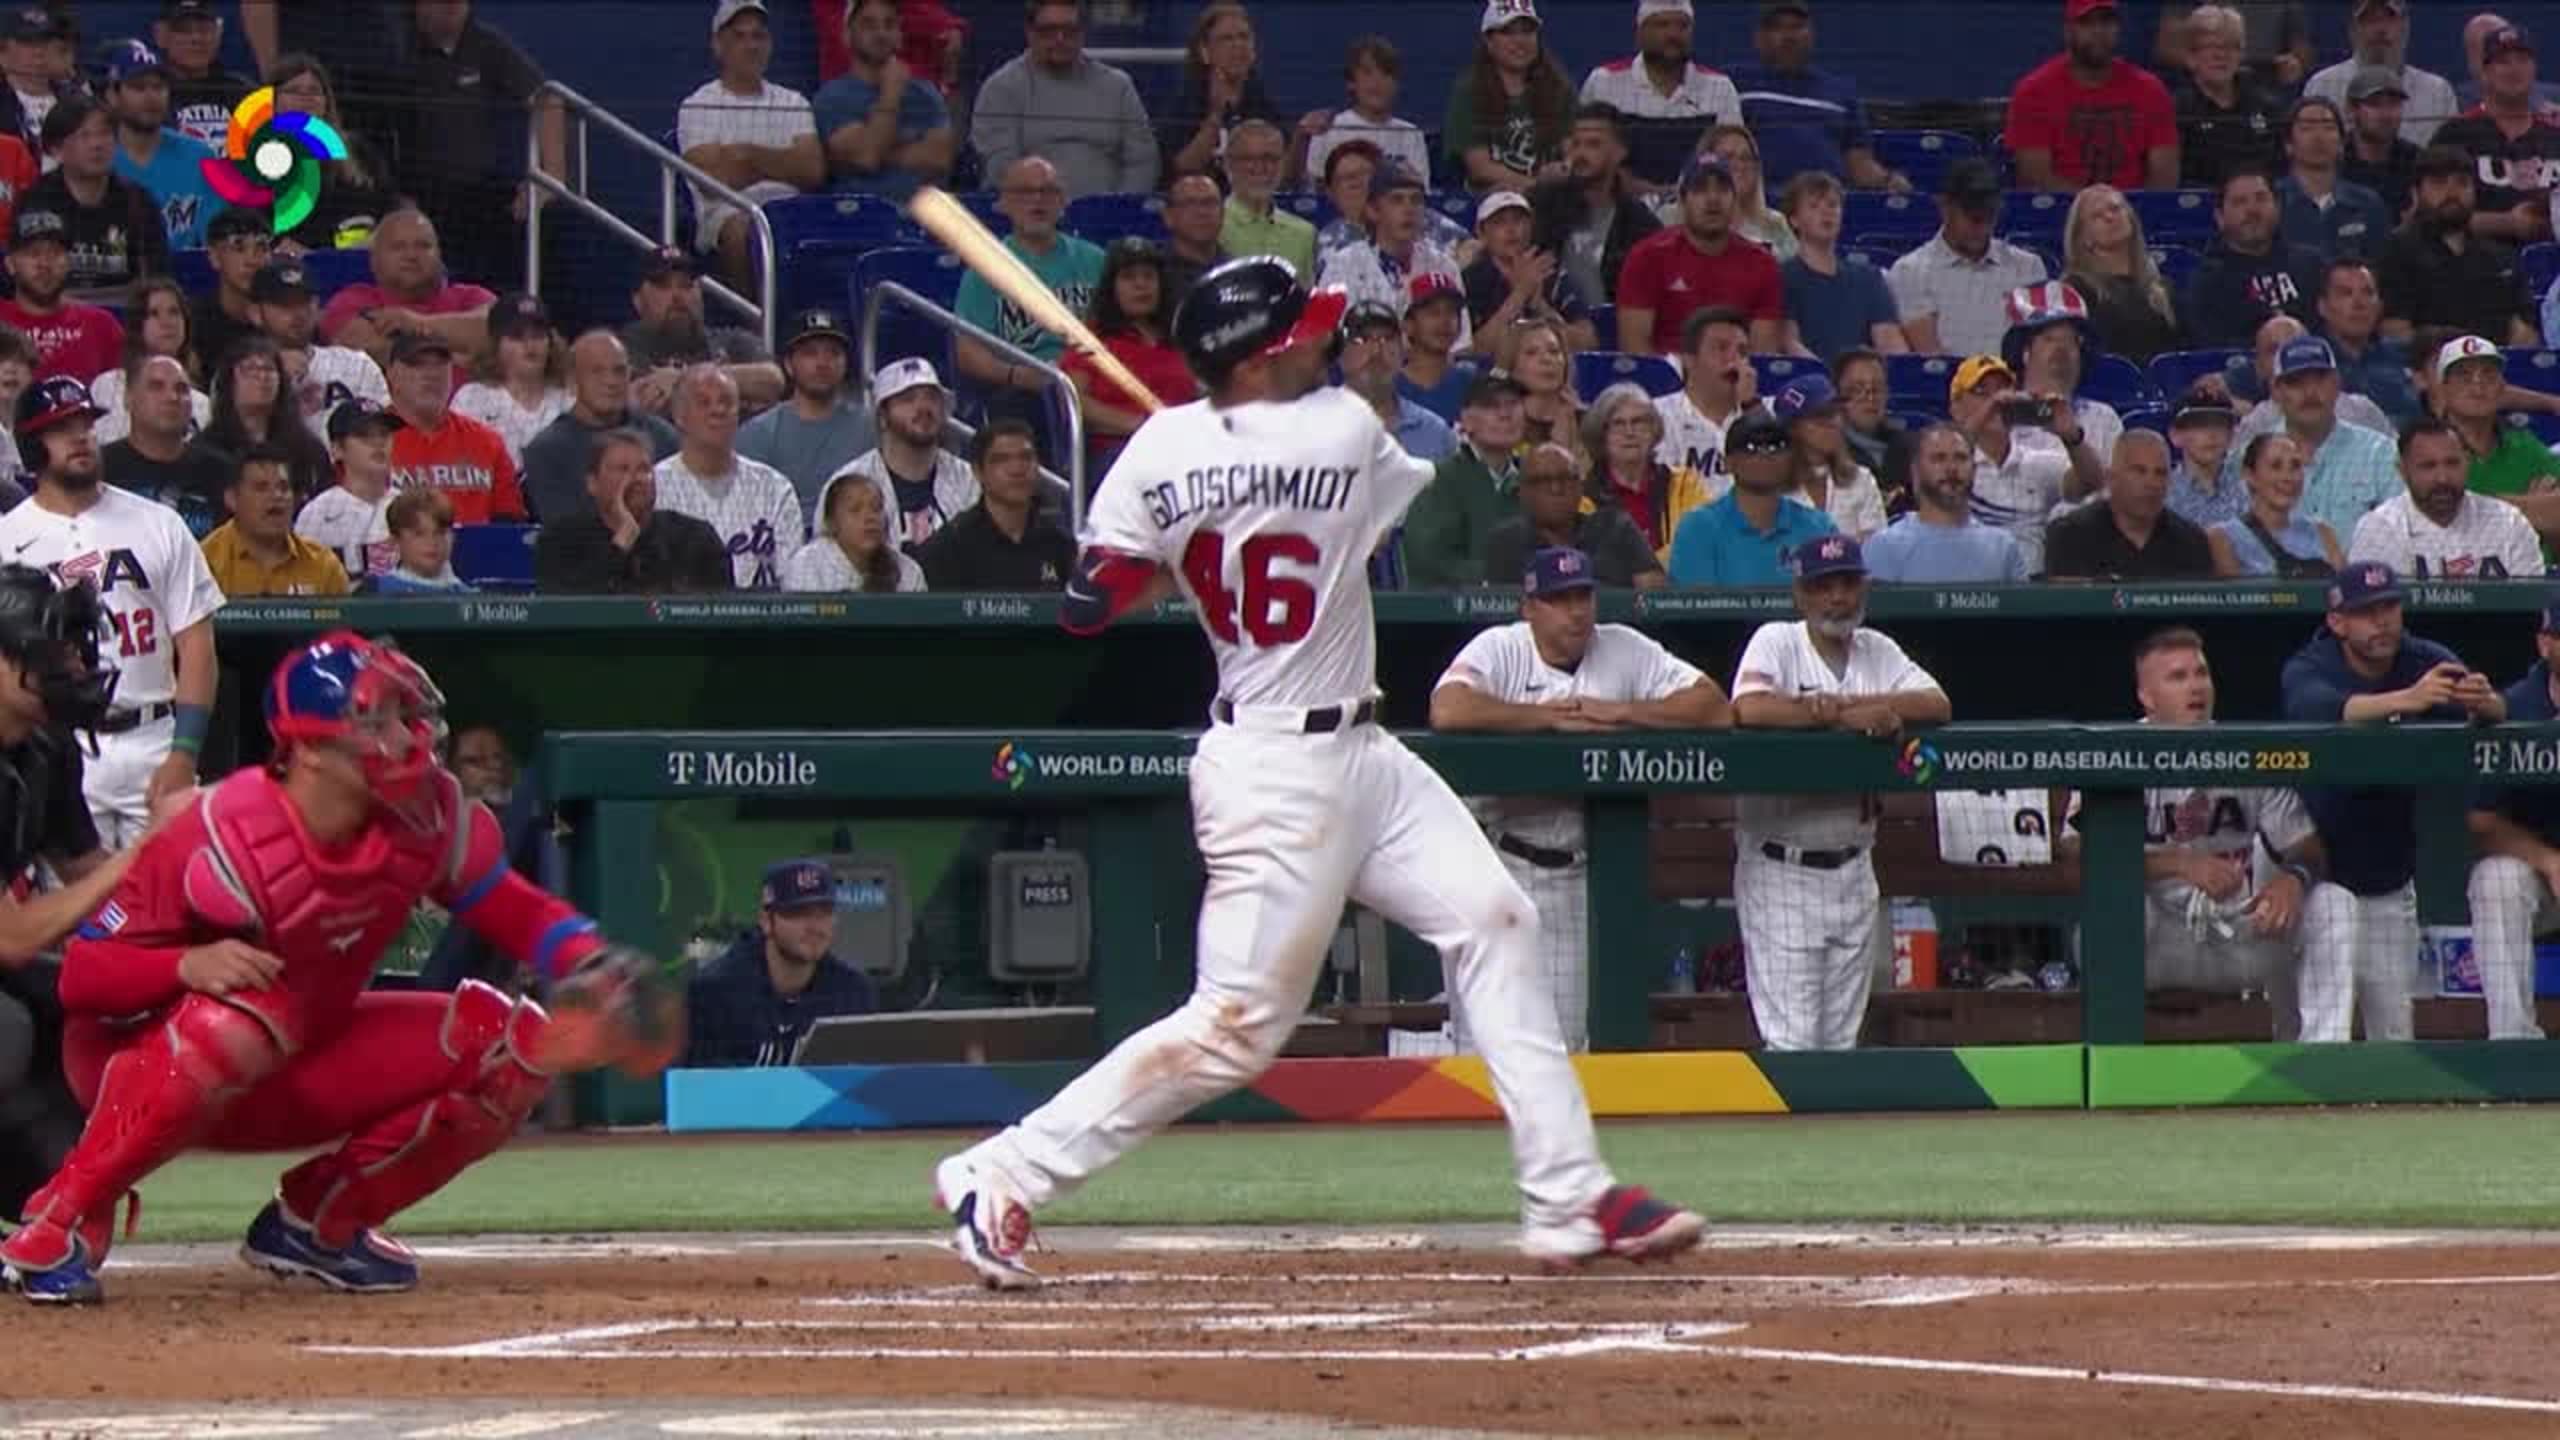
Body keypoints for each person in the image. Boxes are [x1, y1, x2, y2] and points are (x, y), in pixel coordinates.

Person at [932, 256, 1708, 1292]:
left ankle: (1569, 1197)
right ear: (1259, 359)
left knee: (1494, 921)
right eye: (1299, 334)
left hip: (1361, 752)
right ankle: (1002, 1173)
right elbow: (1318, 495)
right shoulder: (1342, 430)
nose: (1323, 343)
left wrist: (1182, 493)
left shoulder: (1161, 450)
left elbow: (1088, 604)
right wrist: (1221, 471)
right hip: (1276, 774)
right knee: (1234, 1029)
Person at [0, 631, 673, 1305]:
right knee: (247, 1014)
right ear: (312, 747)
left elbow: (502, 901)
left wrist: (588, 956)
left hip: (301, 1054)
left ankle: (319, 1224)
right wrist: (185, 965)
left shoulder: (425, 813)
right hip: (144, 1064)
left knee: (508, 1040)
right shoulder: (217, 833)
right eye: (377, 722)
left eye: (406, 718)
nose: (407, 739)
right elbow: (83, 979)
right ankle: (57, 1220)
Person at [1430, 543, 1726, 1049]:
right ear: (1530, 608)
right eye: (1559, 598)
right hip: (1498, 863)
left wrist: (1625, 711)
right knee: (1480, 1046)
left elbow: (1714, 707)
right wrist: (1543, 717)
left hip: (1575, 876)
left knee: (1563, 1045)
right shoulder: (1499, 648)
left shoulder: (1624, 648)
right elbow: (1448, 709)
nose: (1576, 610)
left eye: (1583, 596)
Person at [1729, 532, 1950, 1050]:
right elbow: (1750, 709)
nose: (1837, 597)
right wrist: (1840, 714)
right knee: (1793, 1042)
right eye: (1823, 586)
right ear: (1801, 594)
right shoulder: (1776, 641)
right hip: (1782, 866)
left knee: (1840, 1042)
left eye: (1848, 583)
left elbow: (1937, 703)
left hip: (1855, 867)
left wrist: (1848, 709)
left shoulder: (1877, 649)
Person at [2282, 562, 2503, 1044]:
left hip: (2387, 876)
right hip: (2311, 875)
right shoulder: (2311, 665)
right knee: (2303, 1029)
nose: (2382, 620)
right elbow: (2325, 709)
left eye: (2389, 607)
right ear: (2338, 622)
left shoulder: (2424, 657)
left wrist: (2485, 702)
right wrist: (2410, 698)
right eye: (2366, 612)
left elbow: (2495, 709)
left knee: (2394, 1037)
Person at [0, 377, 220, 848]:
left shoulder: (158, 523)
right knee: (71, 903)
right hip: (60, 744)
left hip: (155, 735)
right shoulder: (6, 538)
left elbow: (197, 643)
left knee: (174, 901)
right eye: (61, 429)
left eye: (85, 424)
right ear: (32, 446)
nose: (80, 436)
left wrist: (185, 751)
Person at [0, 565, 145, 1221]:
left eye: (72, 649)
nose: (71, 665)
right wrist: (142, 852)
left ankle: (43, 1192)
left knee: (86, 998)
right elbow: (13, 938)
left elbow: (86, 866)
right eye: (48, 651)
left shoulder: (45, 745)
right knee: (7, 1028)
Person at [2116, 626, 2342, 1040]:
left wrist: (2293, 880)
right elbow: (2076, 858)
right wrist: (2179, 865)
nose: (2195, 686)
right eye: (2177, 677)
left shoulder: (2246, 754)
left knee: (2332, 901)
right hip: (2150, 943)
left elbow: (2307, 845)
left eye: (2201, 673)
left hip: (2232, 936)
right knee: (2121, 906)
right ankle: (2114, 1048)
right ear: (2146, 697)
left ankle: (2316, 1060)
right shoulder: (2116, 754)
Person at [393, 0, 566, 289]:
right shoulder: (397, 51)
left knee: (536, 228)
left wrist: (551, 178)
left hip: (482, 198)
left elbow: (548, 98)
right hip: (423, 199)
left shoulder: (485, 45)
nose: (451, 6)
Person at [954, 156, 1103, 443]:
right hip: (1024, 389)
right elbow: (968, 353)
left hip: (1090, 382)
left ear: (1062, 202)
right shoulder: (986, 267)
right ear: (1004, 203)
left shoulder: (1095, 260)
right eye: (1024, 192)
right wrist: (1016, 375)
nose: (1037, 200)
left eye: (1048, 191)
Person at [2464, 600, 2560, 1040]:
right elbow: (2482, 821)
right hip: (2542, 881)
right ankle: (2512, 1040)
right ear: (2546, 643)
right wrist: (2549, 861)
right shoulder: (2516, 709)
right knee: (2496, 880)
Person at [677, 0, 823, 287]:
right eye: (739, 36)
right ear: (719, 45)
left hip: (791, 211)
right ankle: (756, 326)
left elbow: (812, 171)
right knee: (742, 228)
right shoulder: (698, 105)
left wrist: (746, 156)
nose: (751, 45)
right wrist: (783, 163)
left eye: (759, 36)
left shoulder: (793, 102)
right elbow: (712, 179)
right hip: (729, 214)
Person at [683, 859, 874, 1069]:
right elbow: (699, 1090)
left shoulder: (852, 992)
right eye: (798, 913)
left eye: (825, 912)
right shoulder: (715, 993)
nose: (815, 927)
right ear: (766, 921)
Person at [968, 0, 1157, 200]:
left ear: (1083, 33)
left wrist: (1122, 206)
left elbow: (1143, 160)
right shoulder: (1001, 88)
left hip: (1109, 216)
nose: (1060, 39)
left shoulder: (1117, 85)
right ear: (1029, 33)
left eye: (1070, 31)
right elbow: (1001, 169)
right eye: (1048, 31)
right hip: (1030, 214)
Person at [653, 366, 805, 593]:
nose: (717, 410)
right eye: (704, 402)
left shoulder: (774, 487)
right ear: (679, 416)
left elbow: (793, 580)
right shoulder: (654, 486)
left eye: (726, 402)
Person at [1615, 153, 1782, 358]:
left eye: (1722, 189)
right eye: (1700, 189)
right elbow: (1636, 352)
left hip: (1736, 380)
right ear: (1683, 201)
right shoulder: (1646, 257)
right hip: (1664, 384)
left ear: (1734, 200)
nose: (1713, 199)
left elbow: (1762, 355)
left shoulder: (1762, 264)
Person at [1725, 0, 1901, 192]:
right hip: (1760, 206)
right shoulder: (1734, 84)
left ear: (1811, 35)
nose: (1789, 36)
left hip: (1827, 206)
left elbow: (1859, 164)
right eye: (1778, 28)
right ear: (1759, 38)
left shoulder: (1841, 93)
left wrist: (1889, 180)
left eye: (1797, 27)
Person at [2006, 0, 2180, 194]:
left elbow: (2164, 177)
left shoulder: (2151, 90)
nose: (2098, 32)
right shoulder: (2033, 92)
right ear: (2067, 31)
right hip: (2059, 216)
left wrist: (2125, 213)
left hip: (2135, 216)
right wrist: (2092, 210)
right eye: (2086, 23)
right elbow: (2034, 178)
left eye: (2106, 23)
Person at [532, 427, 732, 596]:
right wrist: (623, 540)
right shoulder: (560, 540)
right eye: (622, 469)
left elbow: (722, 611)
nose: (636, 478)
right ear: (593, 483)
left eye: (644, 469)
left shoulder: (695, 537)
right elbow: (569, 609)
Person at [1063, 238, 1198, 481]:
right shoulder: (1092, 338)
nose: (1141, 285)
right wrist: (1141, 425)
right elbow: (1075, 399)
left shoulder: (1180, 336)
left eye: (1148, 276)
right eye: (1129, 277)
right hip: (1119, 451)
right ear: (1111, 287)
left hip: (1184, 447)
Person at [1887, 158, 2050, 359]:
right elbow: (1930, 357)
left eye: (1989, 215)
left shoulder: (2028, 268)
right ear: (1945, 207)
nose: (1980, 226)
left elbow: (2034, 349)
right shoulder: (1910, 271)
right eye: (1972, 216)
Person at [2348, 413, 2544, 578]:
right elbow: (2369, 615)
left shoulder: (2508, 522)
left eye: (2452, 463)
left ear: (2467, 462)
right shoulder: (2379, 528)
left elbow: (2532, 607)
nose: (2442, 478)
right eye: (2428, 466)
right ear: (2402, 471)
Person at [2375, 145, 2534, 345]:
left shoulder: (2500, 258)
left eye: (2462, 183)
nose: (2452, 193)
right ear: (2416, 193)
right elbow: (2395, 333)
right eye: (2438, 183)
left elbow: (2524, 333)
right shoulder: (2396, 252)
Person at [520, 331, 681, 525]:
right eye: (597, 371)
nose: (611, 381)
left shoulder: (663, 436)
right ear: (572, 381)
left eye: (619, 371)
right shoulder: (546, 452)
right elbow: (563, 533)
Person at [2250, 334, 2402, 540]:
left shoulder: (2380, 453)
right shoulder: (2252, 459)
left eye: (2320, 380)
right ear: (2276, 391)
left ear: (2337, 384)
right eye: (2296, 383)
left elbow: (2400, 533)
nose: (2310, 393)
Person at [1578, 0, 1739, 193]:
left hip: (1697, 205)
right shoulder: (1604, 82)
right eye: (1662, 25)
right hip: (1622, 206)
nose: (1673, 35)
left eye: (1682, 26)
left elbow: (1733, 160)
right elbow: (1585, 153)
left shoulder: (1720, 87)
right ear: (1639, 34)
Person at [735, 309, 874, 527]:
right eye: (810, 353)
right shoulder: (757, 434)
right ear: (789, 365)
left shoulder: (870, 428)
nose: (822, 363)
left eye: (833, 353)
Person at [830, 357, 979, 560]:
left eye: (931, 397)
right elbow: (828, 565)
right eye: (908, 399)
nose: (924, 407)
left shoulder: (969, 480)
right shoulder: (848, 483)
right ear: (883, 416)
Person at [23, 95, 169, 300]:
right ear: (56, 150)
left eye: (105, 134)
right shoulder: (36, 201)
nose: (97, 144)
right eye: (84, 136)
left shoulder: (138, 201)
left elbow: (157, 281)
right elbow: (29, 285)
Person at [1667, 409, 1835, 584]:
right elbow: (1695, 606)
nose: (1765, 455)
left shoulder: (1819, 528)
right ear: (1727, 463)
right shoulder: (1698, 528)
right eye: (1751, 448)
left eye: (1776, 447)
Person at [315, 210, 496, 371]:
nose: (411, 256)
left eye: (423, 246)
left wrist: (416, 323)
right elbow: (368, 349)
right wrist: (461, 348)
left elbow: (496, 331)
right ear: (374, 260)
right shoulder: (353, 300)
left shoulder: (472, 297)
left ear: (439, 255)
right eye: (398, 247)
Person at [1948, 353, 2077, 576]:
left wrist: (2073, 438)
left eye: (2003, 389)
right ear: (1956, 408)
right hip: (1966, 589)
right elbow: (1940, 473)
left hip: (2030, 590)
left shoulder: (2038, 462)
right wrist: (1989, 408)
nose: (1997, 399)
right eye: (1982, 392)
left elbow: (2091, 483)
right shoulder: (1946, 466)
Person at [2433, 23, 2560, 247]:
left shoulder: (2555, 134)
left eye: (2523, 60)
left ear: (2534, 68)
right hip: (2475, 267)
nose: (2515, 69)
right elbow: (2430, 218)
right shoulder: (2455, 134)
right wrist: (2507, 223)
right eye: (2503, 62)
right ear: (2485, 72)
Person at [1319, 161, 1469, 350]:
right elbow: (1323, 338)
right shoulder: (1341, 266)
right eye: (1397, 200)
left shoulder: (1444, 266)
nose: (1409, 210)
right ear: (1373, 210)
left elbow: (1461, 343)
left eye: (1416, 200)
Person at [618, 246, 783, 418]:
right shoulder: (624, 349)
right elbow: (640, 395)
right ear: (638, 301)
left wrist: (682, 379)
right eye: (663, 286)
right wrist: (733, 383)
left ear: (701, 296)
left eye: (686, 285)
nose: (677, 296)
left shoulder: (730, 341)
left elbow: (773, 380)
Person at [813, 0, 953, 201]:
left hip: (922, 216)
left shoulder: (926, 93)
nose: (881, 33)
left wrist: (881, 149)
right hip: (859, 214)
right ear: (847, 35)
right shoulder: (831, 98)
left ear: (899, 36)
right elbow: (866, 158)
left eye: (889, 25)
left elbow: (940, 160)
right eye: (869, 25)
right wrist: (891, 92)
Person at [915, 418, 1073, 592]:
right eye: (1001, 460)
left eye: (1026, 457)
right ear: (978, 471)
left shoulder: (1060, 546)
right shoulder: (947, 549)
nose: (1017, 469)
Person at [1531, 104, 1662, 314]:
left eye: (1593, 145)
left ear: (1620, 152)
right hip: (1546, 329)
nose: (1581, 154)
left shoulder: (1640, 225)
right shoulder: (1542, 207)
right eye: (1576, 144)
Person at [384, 332, 522, 525]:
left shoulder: (487, 443)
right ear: (392, 374)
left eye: (439, 364)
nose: (431, 374)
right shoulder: (368, 442)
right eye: (417, 364)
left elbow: (509, 524)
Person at [261, 54, 393, 256]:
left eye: (314, 91)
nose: (306, 97)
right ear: (272, 101)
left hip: (361, 258)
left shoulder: (359, 150)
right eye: (294, 90)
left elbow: (389, 204)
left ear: (326, 102)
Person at [1405, 371, 1528, 588]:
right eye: (1491, 406)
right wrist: (1495, 578)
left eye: (1513, 404)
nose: (1506, 414)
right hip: (1451, 613)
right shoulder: (1439, 481)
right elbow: (1430, 558)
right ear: (1467, 421)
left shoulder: (1533, 480)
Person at [98, 37, 222, 253]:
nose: (151, 97)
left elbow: (216, 240)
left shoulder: (200, 156)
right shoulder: (96, 157)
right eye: (138, 87)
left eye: (159, 87)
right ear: (112, 96)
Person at [1861, 423, 2028, 583]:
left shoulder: (2003, 548)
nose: (1951, 468)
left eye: (1961, 458)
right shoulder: (1883, 548)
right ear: (1915, 471)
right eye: (1938, 459)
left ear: (1975, 470)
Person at [1482, 443, 1662, 589]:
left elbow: (1652, 601)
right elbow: (1503, 611)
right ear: (1522, 492)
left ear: (1580, 487)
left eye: (1565, 478)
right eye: (1542, 481)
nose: (1556, 489)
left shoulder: (1616, 528)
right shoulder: (1505, 542)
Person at [2182, 168, 2325, 349]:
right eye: (2239, 202)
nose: (2252, 210)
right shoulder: (2207, 283)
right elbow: (2213, 349)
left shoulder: (2311, 266)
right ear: (2220, 217)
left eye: (2261, 198)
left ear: (2278, 207)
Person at [2044, 431, 2217, 580]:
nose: (2151, 483)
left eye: (2160, 473)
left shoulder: (2192, 541)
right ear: (2112, 478)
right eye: (2139, 471)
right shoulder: (2070, 535)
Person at [250, 259, 387, 443]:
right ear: (256, 313)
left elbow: (384, 436)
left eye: (304, 302)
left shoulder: (357, 365)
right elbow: (238, 441)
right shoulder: (242, 373)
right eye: (284, 305)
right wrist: (275, 373)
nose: (298, 313)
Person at [2000, 281, 2118, 495]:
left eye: (2071, 341)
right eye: (2049, 339)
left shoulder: (2104, 419)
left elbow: (2115, 492)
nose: (2061, 348)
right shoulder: (2002, 415)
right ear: (2025, 352)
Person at [1447, 0, 1575, 194]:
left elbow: (1573, 150)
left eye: (1527, 32)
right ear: (1489, 42)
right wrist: (1535, 184)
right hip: (1491, 200)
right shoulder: (1469, 92)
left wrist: (1565, 168)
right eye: (1508, 32)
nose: (1520, 41)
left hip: (1553, 200)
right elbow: (1480, 168)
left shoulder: (1559, 89)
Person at [1779, 171, 1904, 363]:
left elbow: (1890, 344)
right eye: (1814, 206)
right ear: (1794, 219)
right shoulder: (1784, 277)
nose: (1826, 212)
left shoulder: (1868, 278)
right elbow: (1789, 342)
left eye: (1832, 205)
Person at [100, 353, 225, 539]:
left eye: (182, 389)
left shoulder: (221, 471)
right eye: (156, 387)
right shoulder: (99, 469)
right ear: (128, 398)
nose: (172, 397)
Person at [1156, 2, 1282, 185]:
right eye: (1226, 39)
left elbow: (1282, 174)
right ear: (1204, 51)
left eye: (1244, 37)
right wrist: (1215, 115)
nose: (1238, 45)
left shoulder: (1262, 103)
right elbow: (1181, 169)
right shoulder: (1184, 104)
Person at [197, 449, 349, 597]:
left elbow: (345, 621)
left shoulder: (323, 566)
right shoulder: (204, 563)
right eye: (261, 488)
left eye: (283, 488)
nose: (277, 496)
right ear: (232, 499)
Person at [2305, 0, 2456, 148]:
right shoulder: (2322, 86)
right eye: (2370, 20)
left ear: (2405, 27)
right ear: (2352, 30)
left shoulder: (2438, 92)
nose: (2380, 29)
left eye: (2390, 19)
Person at [1463, 190, 1594, 358]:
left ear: (1531, 227)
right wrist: (1521, 294)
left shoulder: (1552, 274)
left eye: (1518, 220)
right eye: (1499, 222)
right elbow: (1477, 350)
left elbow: (1587, 343)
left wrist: (1538, 304)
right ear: (1482, 233)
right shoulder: (1470, 281)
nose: (1511, 230)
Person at [0, 209, 121, 384]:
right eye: (34, 253)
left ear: (69, 261)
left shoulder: (102, 326)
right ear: (10, 264)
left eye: (55, 253)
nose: (45, 264)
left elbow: (124, 400)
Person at [204, 335, 329, 504]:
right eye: (250, 369)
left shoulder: (307, 449)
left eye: (269, 369)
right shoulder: (207, 450)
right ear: (229, 381)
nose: (262, 376)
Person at [2063, 184, 2179, 365]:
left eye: (2115, 209)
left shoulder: (2162, 287)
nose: (2110, 217)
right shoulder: (2075, 290)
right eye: (2096, 216)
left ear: (2131, 217)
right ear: (2084, 238)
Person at [2169, 4, 2281, 190]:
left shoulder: (2267, 107)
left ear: (2241, 55)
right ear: (2191, 57)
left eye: (2231, 47)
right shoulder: (2177, 110)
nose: (2221, 55)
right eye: (2211, 46)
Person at [449, 293, 567, 468]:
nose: (530, 345)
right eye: (517, 337)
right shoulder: (472, 399)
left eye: (538, 336)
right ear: (495, 344)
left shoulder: (567, 402)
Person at [1581, 381, 1696, 558]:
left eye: (1639, 422)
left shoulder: (1684, 484)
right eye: (1618, 424)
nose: (1629, 432)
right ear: (1601, 434)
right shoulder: (1584, 496)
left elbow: (1695, 543)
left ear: (1654, 429)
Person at [1651, 306, 1760, 494]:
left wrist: (1750, 407)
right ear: (1688, 360)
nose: (1734, 360)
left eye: (1742, 352)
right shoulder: (1658, 415)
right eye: (1721, 348)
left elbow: (1779, 479)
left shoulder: (1762, 413)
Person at [1300, 36, 1432, 190]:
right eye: (1368, 73)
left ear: (1396, 84)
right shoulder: (1328, 129)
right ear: (1351, 82)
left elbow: (1420, 192)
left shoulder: (1411, 133)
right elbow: (1314, 188)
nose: (1377, 82)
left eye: (1386, 73)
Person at [294, 396, 401, 582]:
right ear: (337, 450)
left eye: (384, 434)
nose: (378, 443)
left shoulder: (409, 506)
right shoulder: (317, 514)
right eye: (364, 435)